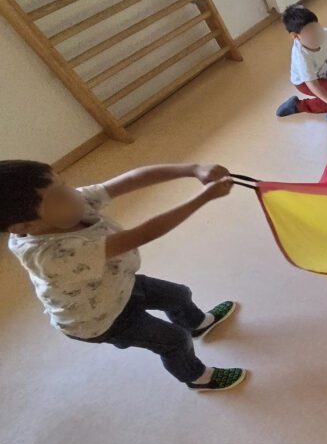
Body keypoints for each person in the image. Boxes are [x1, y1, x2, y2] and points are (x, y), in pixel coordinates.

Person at [2, 161, 246, 392]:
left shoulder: (72, 205)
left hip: (119, 282)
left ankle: (197, 324)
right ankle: (197, 377)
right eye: (58, 196)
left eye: (63, 184)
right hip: (100, 319)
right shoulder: (52, 255)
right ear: (24, 227)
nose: (73, 194)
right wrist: (204, 198)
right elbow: (141, 234)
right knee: (174, 340)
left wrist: (193, 169)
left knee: (178, 295)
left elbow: (132, 179)